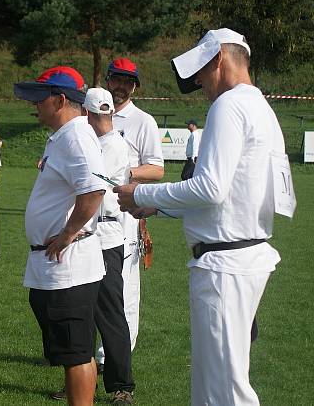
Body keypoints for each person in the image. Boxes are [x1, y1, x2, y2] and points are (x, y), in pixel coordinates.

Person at [115, 29, 287, 406]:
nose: (199, 84)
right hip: (243, 255)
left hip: (225, 264)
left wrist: (142, 193)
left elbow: (210, 188)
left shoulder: (228, 106)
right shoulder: (260, 106)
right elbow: (229, 195)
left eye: (202, 74)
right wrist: (158, 205)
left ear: (219, 61)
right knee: (218, 383)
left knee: (225, 390)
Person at [14, 66, 107, 405]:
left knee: (77, 352)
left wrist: (68, 233)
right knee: (71, 350)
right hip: (54, 265)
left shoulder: (77, 136)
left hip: (68, 266)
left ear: (60, 99)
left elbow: (95, 191)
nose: (34, 104)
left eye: (41, 97)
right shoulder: (67, 136)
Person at [104, 57, 164, 357]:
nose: (121, 87)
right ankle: (87, 357)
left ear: (135, 87)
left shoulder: (143, 121)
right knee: (91, 284)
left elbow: (156, 169)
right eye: (117, 79)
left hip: (126, 213)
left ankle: (117, 356)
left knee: (124, 287)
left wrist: (124, 171)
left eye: (128, 82)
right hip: (93, 212)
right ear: (107, 80)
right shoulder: (93, 116)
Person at [82, 88, 135, 405]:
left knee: (110, 313)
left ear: (87, 114)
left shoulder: (112, 145)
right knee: (83, 312)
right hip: (92, 235)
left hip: (105, 236)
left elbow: (93, 187)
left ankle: (121, 385)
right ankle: (81, 379)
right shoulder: (101, 142)